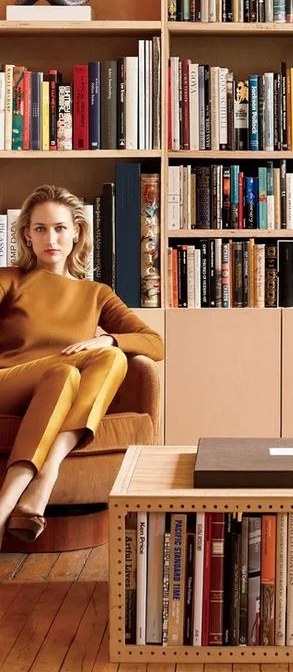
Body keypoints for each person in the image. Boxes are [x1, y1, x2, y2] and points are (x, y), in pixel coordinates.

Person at [0, 184, 164, 547]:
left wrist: (107, 338)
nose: (50, 238)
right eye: (40, 229)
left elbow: (155, 343)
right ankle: (30, 487)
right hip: (7, 386)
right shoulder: (8, 279)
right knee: (89, 361)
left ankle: (27, 486)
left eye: (59, 228)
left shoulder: (96, 294)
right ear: (27, 234)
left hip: (56, 393)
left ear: (76, 231)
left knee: (80, 366)